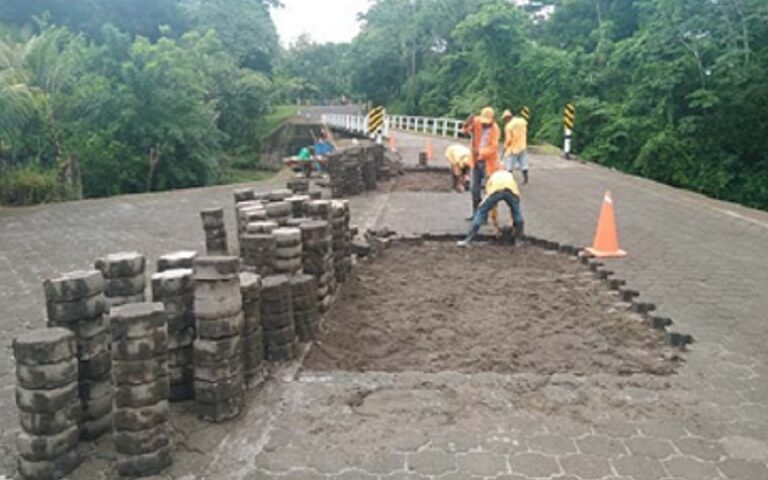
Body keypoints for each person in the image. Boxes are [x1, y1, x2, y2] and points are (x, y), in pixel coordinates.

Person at [457, 169, 524, 247]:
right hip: (512, 191)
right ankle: (518, 240)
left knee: (481, 211)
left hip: (496, 190)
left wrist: (496, 226)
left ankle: (467, 240)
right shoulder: (509, 176)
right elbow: (513, 209)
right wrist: (512, 224)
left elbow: (493, 208)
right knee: (517, 213)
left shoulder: (491, 179)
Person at [463, 107, 501, 218]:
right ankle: (476, 213)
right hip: (475, 161)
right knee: (474, 189)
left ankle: (486, 215)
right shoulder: (476, 121)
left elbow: (493, 148)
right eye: (483, 122)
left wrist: (480, 151)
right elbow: (465, 131)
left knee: (489, 189)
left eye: (487, 123)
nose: (485, 125)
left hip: (488, 163)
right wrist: (466, 123)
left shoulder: (495, 129)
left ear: (493, 120)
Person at [502, 109, 529, 184]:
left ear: (507, 118)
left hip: (513, 148)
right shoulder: (522, 121)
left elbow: (509, 139)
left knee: (509, 165)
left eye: (504, 119)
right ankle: (525, 179)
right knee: (523, 163)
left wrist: (505, 147)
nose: (505, 121)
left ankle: (509, 181)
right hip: (522, 146)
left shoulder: (508, 126)